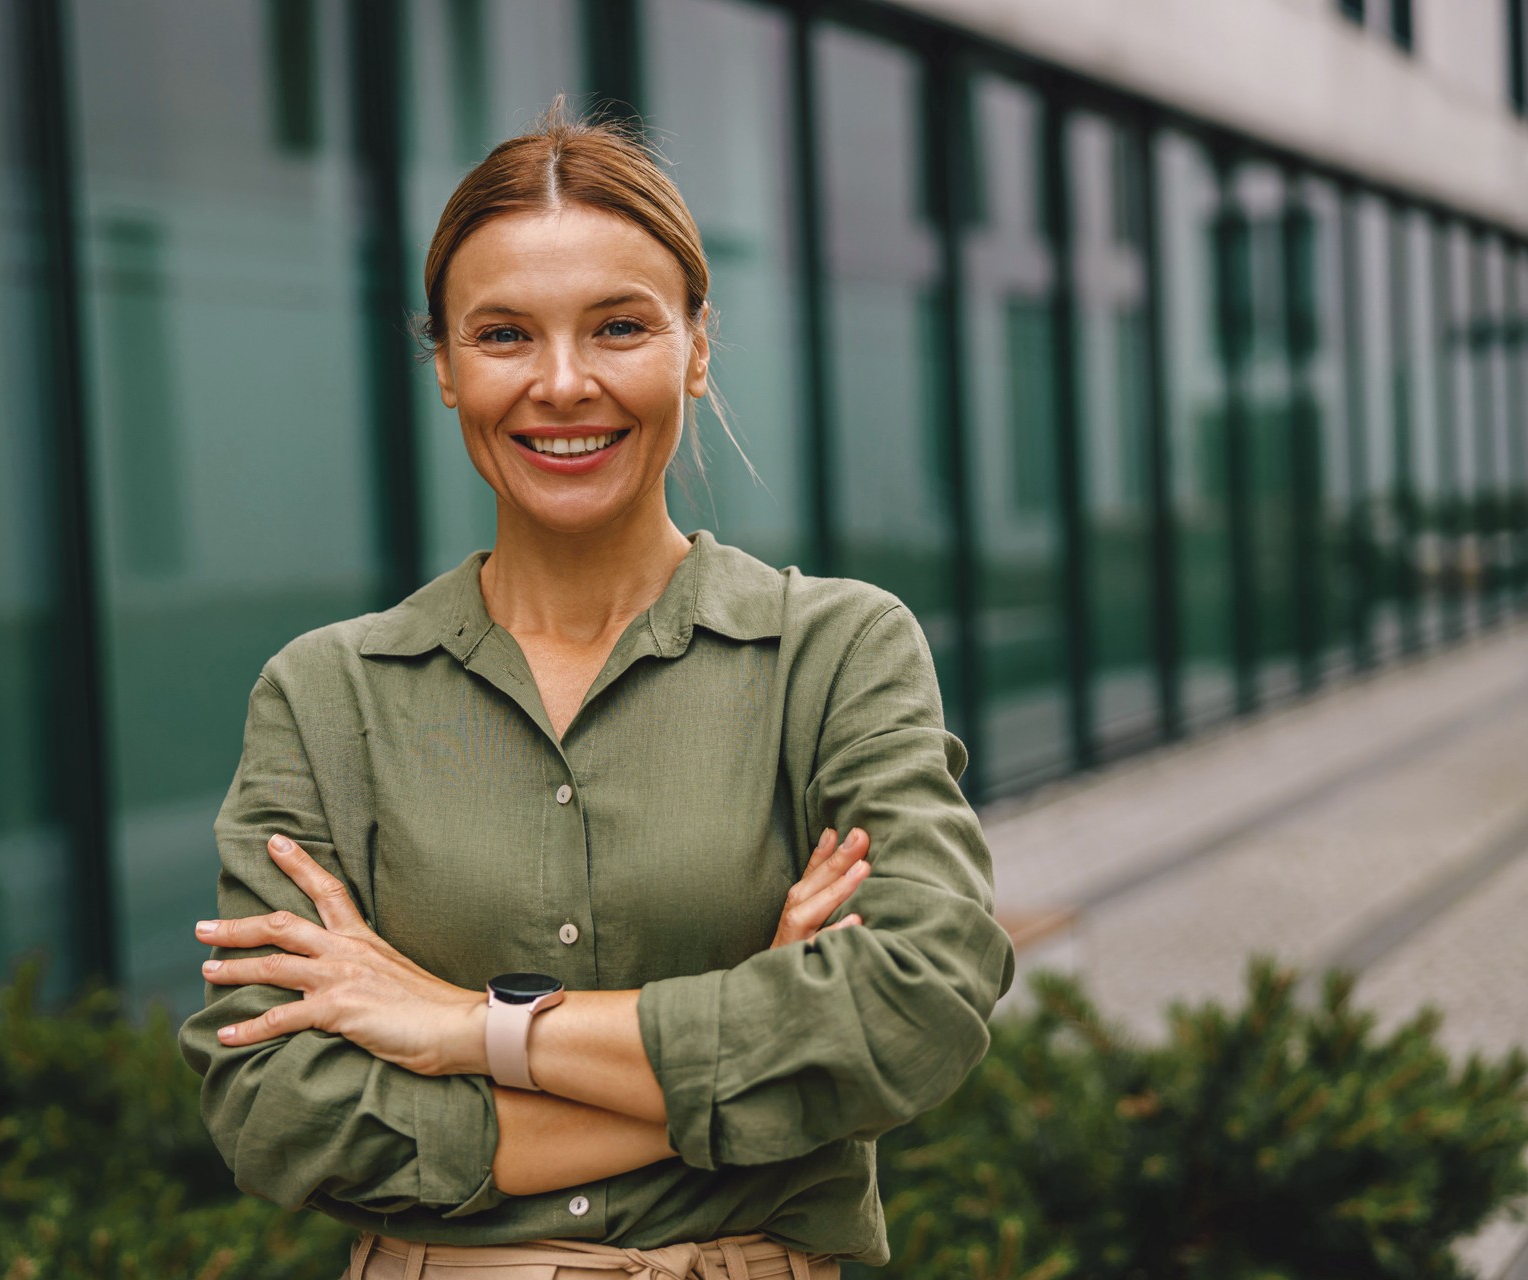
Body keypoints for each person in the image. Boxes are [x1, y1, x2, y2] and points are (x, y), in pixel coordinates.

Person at [177, 102, 1015, 1280]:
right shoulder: (330, 695)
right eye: (505, 335)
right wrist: (751, 1042)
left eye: (619, 326)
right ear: (447, 368)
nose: (562, 384)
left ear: (697, 345)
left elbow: (916, 999)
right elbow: (272, 1104)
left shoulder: (835, 652)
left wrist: (469, 1027)